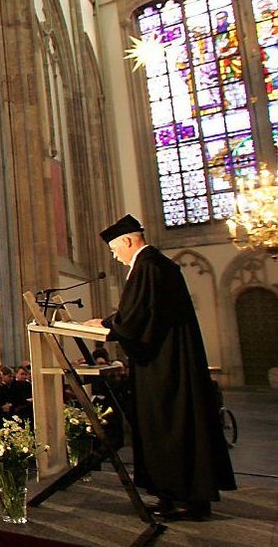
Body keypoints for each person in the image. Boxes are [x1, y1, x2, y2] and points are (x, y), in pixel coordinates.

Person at [84, 214, 236, 520]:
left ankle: (185, 499)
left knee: (170, 425)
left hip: (164, 368)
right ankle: (171, 494)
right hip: (165, 363)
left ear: (128, 241)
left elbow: (136, 317)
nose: (116, 256)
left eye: (115, 249)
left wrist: (105, 325)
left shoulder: (148, 267)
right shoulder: (153, 266)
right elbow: (138, 312)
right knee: (165, 427)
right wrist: (112, 323)